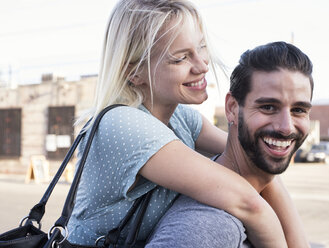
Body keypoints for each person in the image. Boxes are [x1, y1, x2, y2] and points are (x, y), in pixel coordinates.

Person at [67, 1, 292, 247]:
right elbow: (247, 203)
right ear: (135, 72)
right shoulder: (123, 124)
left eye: (201, 47)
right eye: (181, 58)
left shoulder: (179, 117)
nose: (202, 65)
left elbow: (252, 159)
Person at [146, 41, 314, 248]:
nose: (286, 127)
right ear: (232, 108)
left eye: (298, 110)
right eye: (268, 107)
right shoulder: (211, 227)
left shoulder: (266, 196)